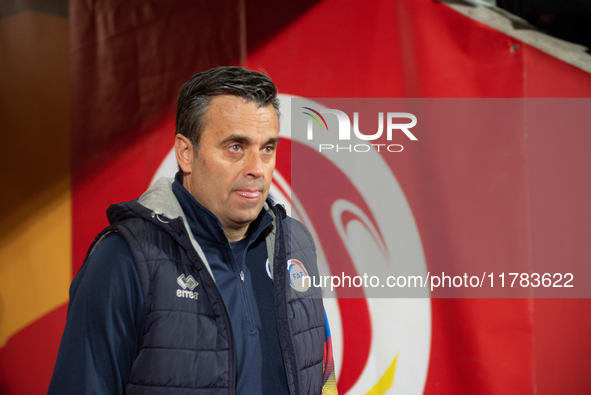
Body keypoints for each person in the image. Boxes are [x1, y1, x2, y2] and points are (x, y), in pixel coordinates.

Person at [49, 67, 337, 395]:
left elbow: (323, 375)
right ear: (186, 153)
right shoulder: (124, 260)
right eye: (236, 147)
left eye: (267, 148)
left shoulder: (296, 244)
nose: (257, 169)